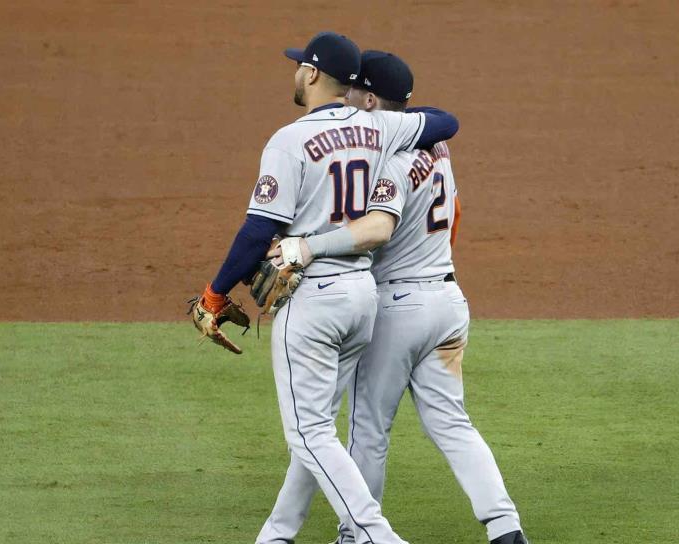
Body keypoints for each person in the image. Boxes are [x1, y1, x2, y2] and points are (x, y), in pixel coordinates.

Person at [187, 32, 459, 544]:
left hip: (313, 301)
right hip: (362, 299)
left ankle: (377, 537)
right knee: (317, 433)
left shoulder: (289, 140)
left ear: (312, 75)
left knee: (309, 434)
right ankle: (276, 534)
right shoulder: (381, 126)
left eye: (298, 66)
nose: (294, 73)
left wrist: (215, 293)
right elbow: (447, 121)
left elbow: (256, 232)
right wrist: (391, 118)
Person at [286, 51, 529, 544]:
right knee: (453, 423)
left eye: (354, 90)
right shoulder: (438, 147)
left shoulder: (388, 159)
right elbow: (455, 214)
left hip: (398, 309)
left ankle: (356, 537)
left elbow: (375, 230)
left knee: (367, 428)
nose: (345, 96)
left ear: (370, 99)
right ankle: (506, 529)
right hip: (448, 301)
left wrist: (309, 249)